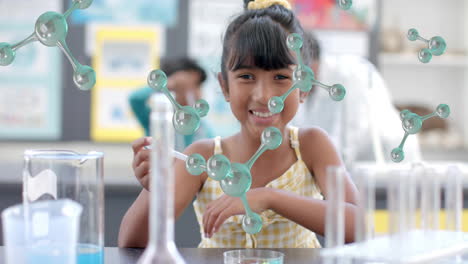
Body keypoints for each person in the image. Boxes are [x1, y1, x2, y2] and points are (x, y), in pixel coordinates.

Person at [119, 0, 358, 248]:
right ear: (224, 86)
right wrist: (154, 189)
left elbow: (360, 228)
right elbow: (132, 243)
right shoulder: (203, 157)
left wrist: (269, 197)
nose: (264, 95)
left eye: (281, 77)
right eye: (246, 77)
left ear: (304, 87)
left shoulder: (311, 146)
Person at [292, 32, 422, 168]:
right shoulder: (307, 90)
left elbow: (348, 143)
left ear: (310, 62)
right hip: (360, 167)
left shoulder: (350, 75)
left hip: (390, 159)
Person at [128, 57, 214, 151]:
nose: (196, 92)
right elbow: (135, 99)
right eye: (187, 86)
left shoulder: (202, 129)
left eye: (198, 86)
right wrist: (165, 84)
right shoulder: (158, 118)